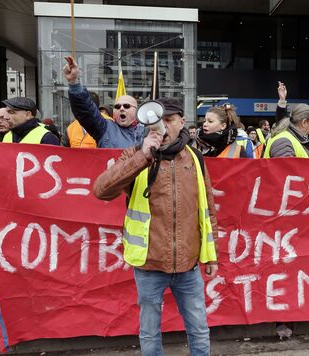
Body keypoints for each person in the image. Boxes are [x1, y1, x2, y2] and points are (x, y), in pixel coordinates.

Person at [92, 97, 218, 355]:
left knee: (199, 329)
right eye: (158, 121)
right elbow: (101, 190)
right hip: (149, 265)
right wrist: (142, 157)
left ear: (182, 122)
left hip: (188, 266)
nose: (163, 126)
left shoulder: (194, 158)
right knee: (150, 332)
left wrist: (211, 255)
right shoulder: (136, 154)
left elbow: (207, 209)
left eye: (170, 120)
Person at [63, 56, 145, 148]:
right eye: (117, 107)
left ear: (137, 111)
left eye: (126, 106)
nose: (121, 109)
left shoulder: (147, 133)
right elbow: (86, 112)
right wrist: (74, 83)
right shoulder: (105, 128)